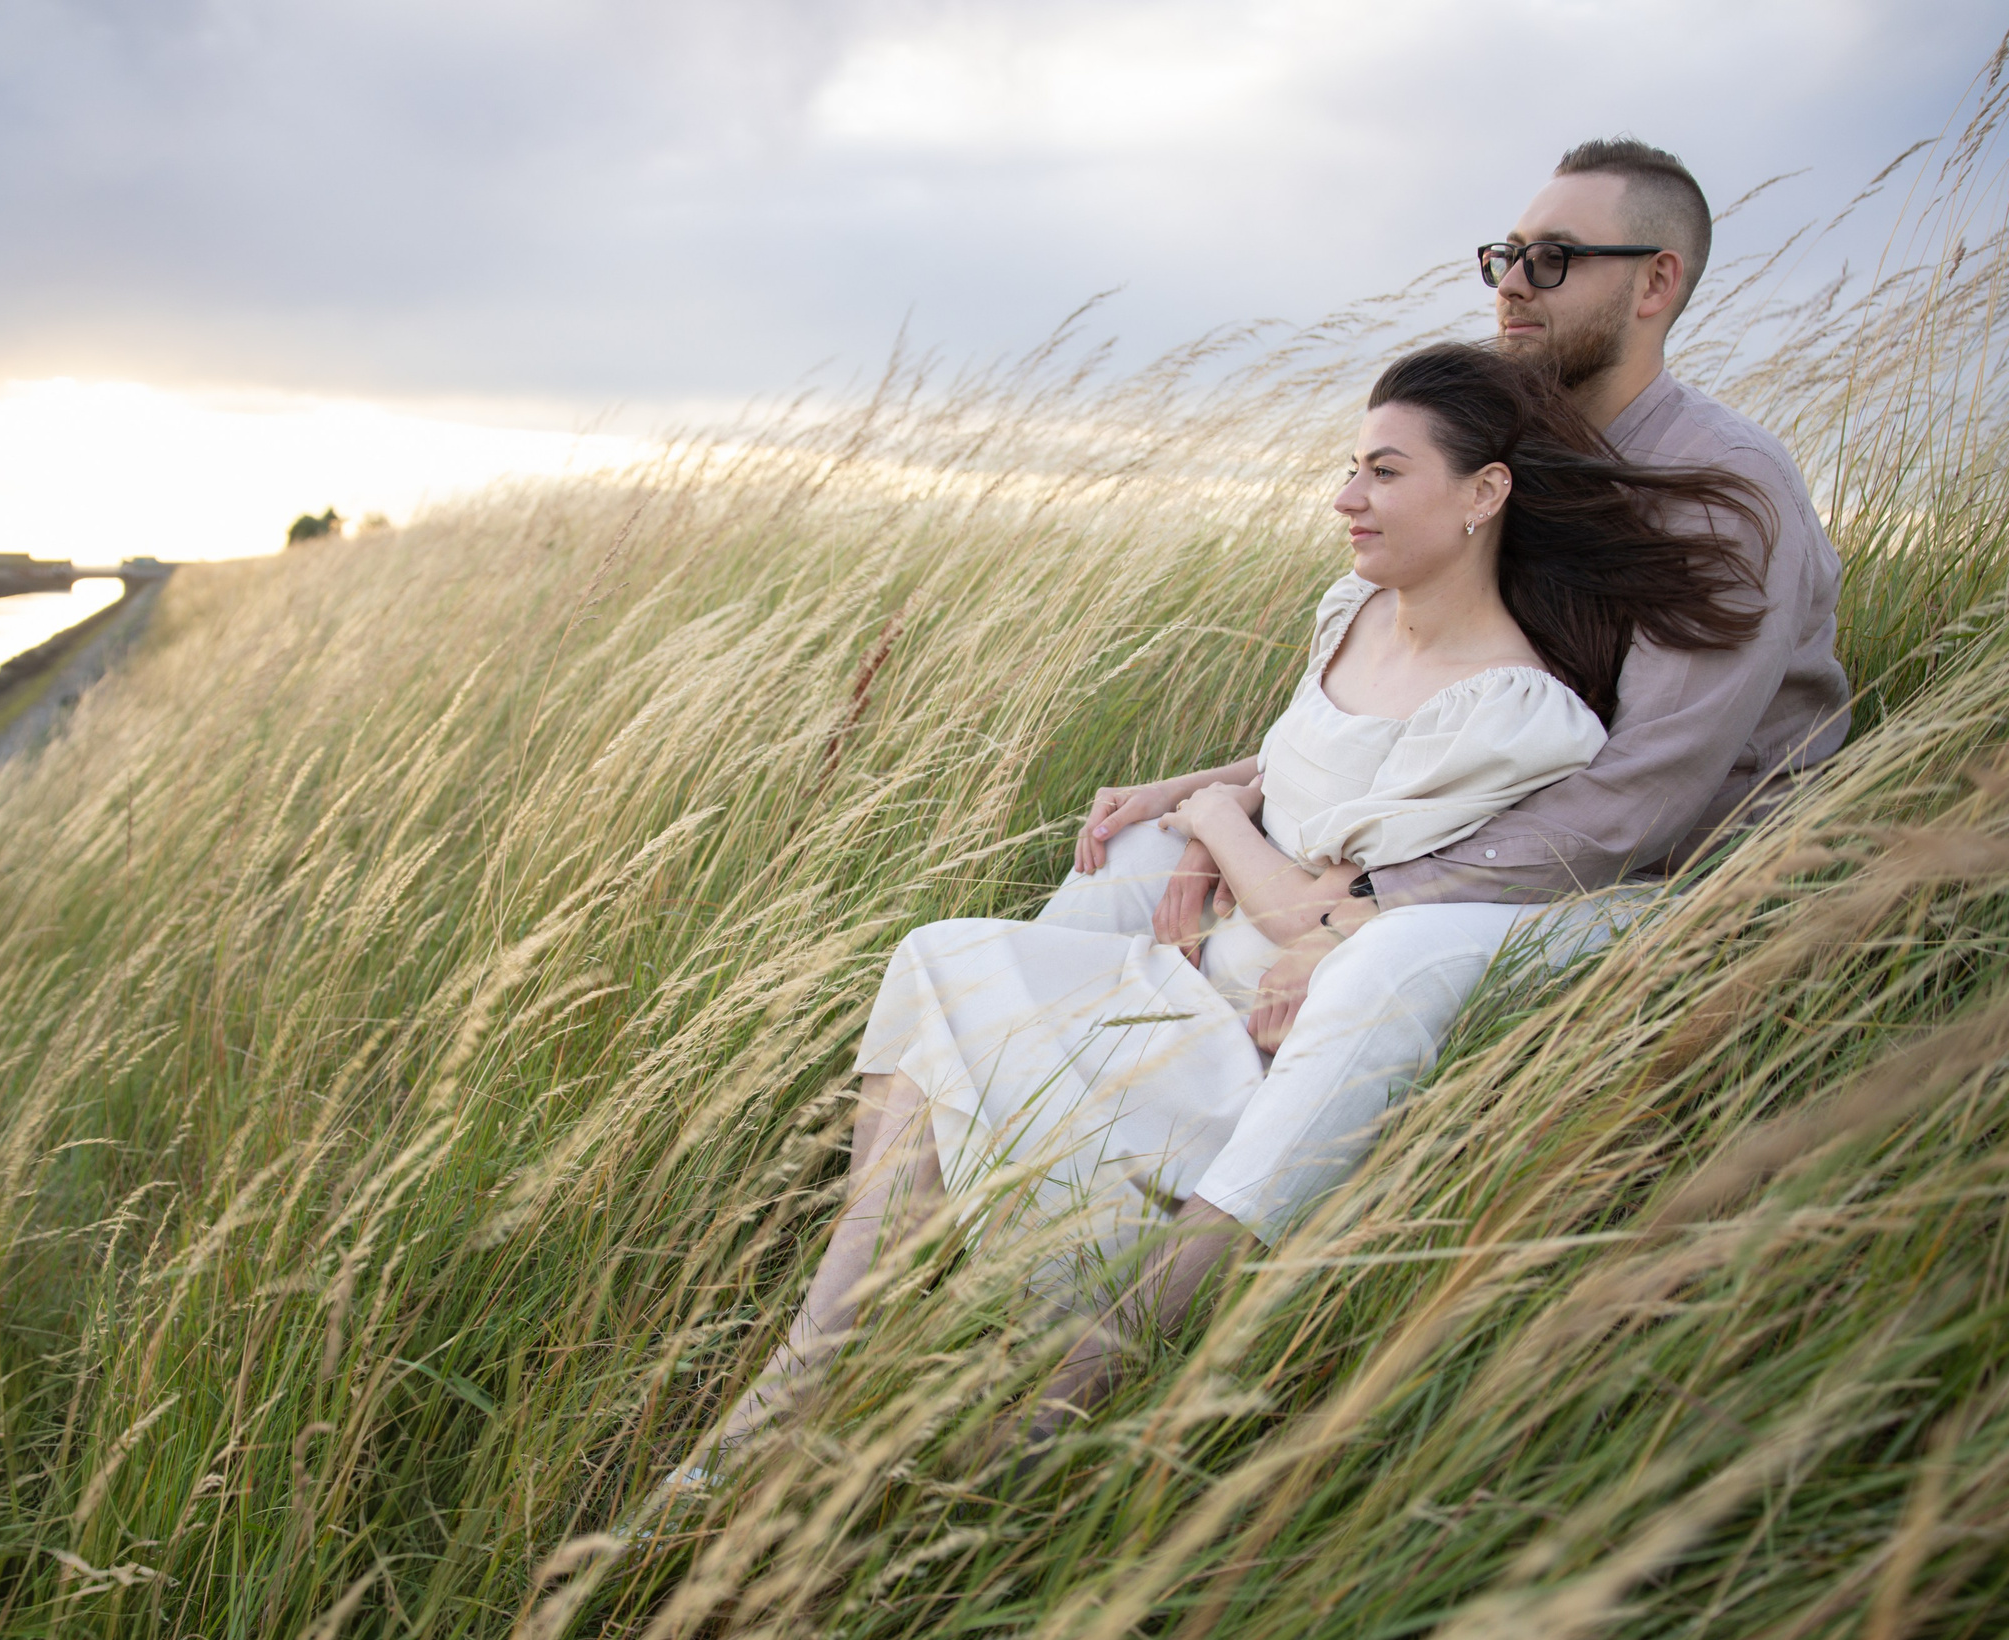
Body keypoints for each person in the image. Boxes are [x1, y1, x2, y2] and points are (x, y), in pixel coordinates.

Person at [675, 310, 1792, 1484]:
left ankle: (938, 1400)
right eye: (1349, 467)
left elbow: (1327, 916)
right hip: (1189, 970)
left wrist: (1209, 825)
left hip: (1258, 1047)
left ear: (1483, 495)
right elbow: (1299, 773)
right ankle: (820, 1353)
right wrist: (1190, 791)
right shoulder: (1347, 616)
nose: (1346, 496)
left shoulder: (1513, 715)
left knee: (972, 1002)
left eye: (1384, 471)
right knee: (941, 953)